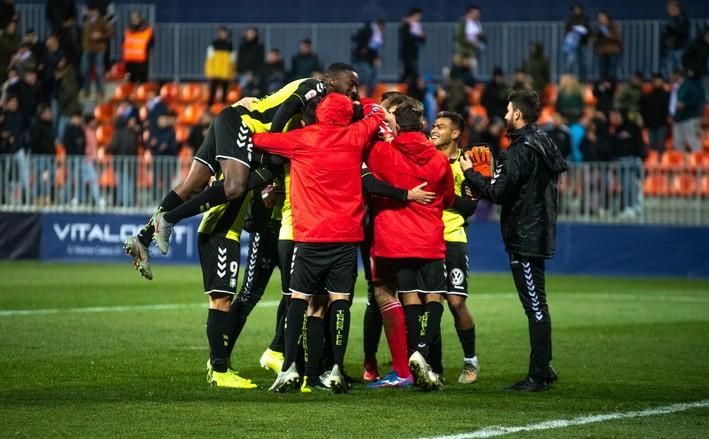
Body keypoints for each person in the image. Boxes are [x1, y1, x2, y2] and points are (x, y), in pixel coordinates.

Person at [252, 93, 385, 393]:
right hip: (346, 238)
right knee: (339, 302)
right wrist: (360, 101)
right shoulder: (355, 134)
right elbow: (376, 113)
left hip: (310, 237)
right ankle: (336, 368)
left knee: (297, 300)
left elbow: (260, 140)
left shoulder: (303, 138)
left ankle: (289, 369)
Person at [460, 89, 567, 392]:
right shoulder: (544, 141)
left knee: (534, 305)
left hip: (524, 235)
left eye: (508, 111)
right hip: (540, 229)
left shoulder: (520, 149)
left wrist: (472, 174)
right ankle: (544, 365)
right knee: (537, 303)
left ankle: (538, 375)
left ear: (518, 115)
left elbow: (498, 193)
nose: (505, 116)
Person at [365, 96, 455, 390]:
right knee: (434, 297)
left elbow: (368, 180)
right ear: (421, 125)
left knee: (410, 298)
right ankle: (422, 352)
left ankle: (412, 357)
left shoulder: (382, 152)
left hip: (395, 240)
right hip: (429, 237)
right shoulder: (440, 160)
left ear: (397, 126)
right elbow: (450, 198)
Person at [429, 111, 481, 384]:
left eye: (440, 126)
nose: (434, 129)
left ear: (456, 133)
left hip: (453, 237)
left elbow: (470, 206)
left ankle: (470, 361)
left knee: (456, 301)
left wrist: (439, 196)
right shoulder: (425, 155)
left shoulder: (466, 163)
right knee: (431, 302)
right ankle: (433, 366)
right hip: (425, 237)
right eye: (433, 125)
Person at [81, 5, 111, 100]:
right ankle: (86, 90)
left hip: (99, 49)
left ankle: (100, 91)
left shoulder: (102, 20)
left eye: (91, 10)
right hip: (87, 49)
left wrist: (100, 35)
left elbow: (110, 32)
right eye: (88, 10)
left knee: (99, 71)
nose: (89, 12)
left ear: (96, 11)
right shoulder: (85, 20)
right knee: (84, 70)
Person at [672, 67, 705, 152]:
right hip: (679, 118)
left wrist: (685, 104)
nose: (671, 76)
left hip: (689, 117)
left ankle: (699, 162)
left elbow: (699, 99)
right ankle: (682, 163)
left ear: (678, 75)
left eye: (673, 74)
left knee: (692, 140)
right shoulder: (678, 86)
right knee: (678, 142)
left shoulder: (691, 84)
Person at [351, 19, 384, 96]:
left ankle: (368, 96)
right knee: (364, 79)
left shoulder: (375, 34)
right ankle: (362, 96)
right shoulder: (369, 31)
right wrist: (363, 48)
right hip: (363, 59)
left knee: (371, 80)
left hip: (370, 60)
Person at [204, 26, 236, 106]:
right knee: (212, 92)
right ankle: (210, 108)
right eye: (221, 32)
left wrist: (232, 74)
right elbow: (209, 60)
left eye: (224, 32)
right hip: (215, 73)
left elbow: (232, 61)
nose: (223, 34)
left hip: (226, 74)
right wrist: (209, 72)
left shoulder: (230, 46)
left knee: (225, 93)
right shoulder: (213, 44)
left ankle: (222, 110)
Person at [641, 74, 670, 156]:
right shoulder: (647, 96)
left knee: (660, 145)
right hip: (650, 124)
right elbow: (643, 110)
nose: (657, 83)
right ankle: (652, 164)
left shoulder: (667, 95)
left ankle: (662, 163)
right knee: (652, 145)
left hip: (662, 123)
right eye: (656, 81)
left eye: (659, 81)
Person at [122, 11, 153, 83]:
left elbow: (151, 43)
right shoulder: (128, 30)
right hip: (130, 62)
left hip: (141, 62)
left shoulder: (147, 30)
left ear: (140, 19)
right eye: (133, 18)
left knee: (142, 82)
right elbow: (123, 42)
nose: (134, 20)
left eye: (136, 18)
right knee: (130, 83)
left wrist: (146, 53)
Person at [661, 1, 690, 78]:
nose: (670, 10)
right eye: (669, 9)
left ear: (677, 8)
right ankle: (672, 87)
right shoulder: (668, 19)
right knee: (669, 71)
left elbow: (684, 32)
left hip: (679, 49)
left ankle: (681, 87)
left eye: (672, 8)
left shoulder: (683, 18)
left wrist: (672, 28)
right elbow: (664, 36)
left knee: (681, 70)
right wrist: (663, 48)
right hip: (669, 49)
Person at [454, 5, 484, 77]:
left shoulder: (478, 23)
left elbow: (480, 35)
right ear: (469, 13)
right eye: (475, 13)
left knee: (471, 73)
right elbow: (459, 37)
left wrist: (481, 40)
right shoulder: (462, 22)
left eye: (478, 13)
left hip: (473, 52)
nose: (477, 15)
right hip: (462, 52)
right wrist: (471, 42)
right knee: (459, 72)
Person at [563, 3, 590, 81]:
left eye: (578, 8)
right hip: (572, 44)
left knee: (583, 62)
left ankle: (583, 78)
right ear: (573, 10)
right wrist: (574, 29)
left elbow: (588, 30)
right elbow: (567, 28)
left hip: (582, 43)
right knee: (570, 61)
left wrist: (582, 30)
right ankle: (568, 78)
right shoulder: (570, 18)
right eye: (575, 8)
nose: (577, 10)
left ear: (581, 9)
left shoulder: (585, 18)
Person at [593, 11, 622, 81]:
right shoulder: (597, 27)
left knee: (612, 71)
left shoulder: (613, 25)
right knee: (603, 71)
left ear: (607, 17)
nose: (600, 19)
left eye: (602, 17)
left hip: (612, 51)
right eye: (599, 17)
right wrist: (597, 36)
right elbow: (594, 39)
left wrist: (608, 34)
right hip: (602, 51)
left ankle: (613, 86)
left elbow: (617, 37)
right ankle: (603, 87)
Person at [399, 7, 425, 84]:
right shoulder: (406, 24)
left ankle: (402, 88)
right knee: (412, 72)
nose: (419, 18)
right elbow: (405, 38)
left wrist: (422, 36)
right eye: (418, 16)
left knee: (408, 73)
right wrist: (416, 36)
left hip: (414, 53)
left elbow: (422, 39)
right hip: (407, 53)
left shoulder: (418, 26)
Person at [236, 27, 264, 96]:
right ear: (246, 34)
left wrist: (252, 73)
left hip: (256, 73)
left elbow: (260, 62)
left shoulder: (259, 47)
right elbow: (240, 61)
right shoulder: (242, 47)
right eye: (250, 33)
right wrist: (246, 73)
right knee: (242, 91)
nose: (251, 35)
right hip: (243, 74)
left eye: (253, 33)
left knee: (256, 92)